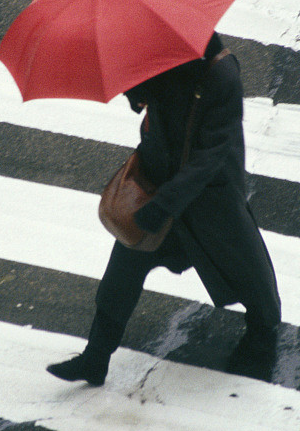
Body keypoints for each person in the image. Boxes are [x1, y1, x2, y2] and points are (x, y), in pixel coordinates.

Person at [47, 32, 282, 386]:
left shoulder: (222, 74)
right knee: (121, 275)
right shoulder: (155, 55)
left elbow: (212, 156)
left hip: (207, 199)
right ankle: (96, 357)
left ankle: (263, 334)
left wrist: (164, 204)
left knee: (248, 272)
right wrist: (135, 89)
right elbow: (152, 103)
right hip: (155, 189)